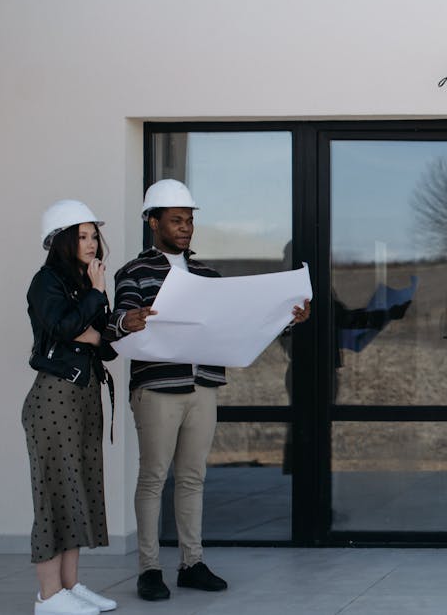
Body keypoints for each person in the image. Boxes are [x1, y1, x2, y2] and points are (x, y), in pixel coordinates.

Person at [103, 179, 310, 601]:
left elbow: (239, 325)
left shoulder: (206, 276)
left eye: (190, 220)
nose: (185, 227)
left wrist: (286, 320)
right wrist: (127, 321)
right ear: (153, 222)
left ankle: (191, 564)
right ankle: (149, 570)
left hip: (203, 386)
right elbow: (117, 323)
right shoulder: (134, 273)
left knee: (193, 478)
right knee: (153, 477)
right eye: (176, 220)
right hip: (158, 387)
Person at [24, 200, 119, 615]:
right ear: (61, 240)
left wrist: (94, 319)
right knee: (53, 495)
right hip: (55, 397)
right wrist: (95, 300)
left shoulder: (85, 284)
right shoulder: (46, 282)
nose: (92, 243)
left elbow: (105, 343)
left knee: (77, 490)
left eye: (94, 235)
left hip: (83, 394)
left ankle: (70, 585)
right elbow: (63, 327)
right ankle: (48, 596)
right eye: (82, 236)